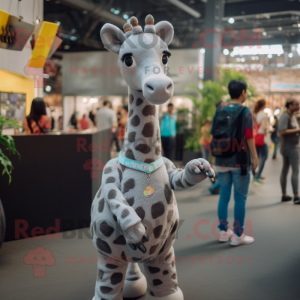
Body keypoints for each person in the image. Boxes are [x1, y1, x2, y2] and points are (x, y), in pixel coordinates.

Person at [211, 80, 258, 246]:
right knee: (240, 198)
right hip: (240, 160)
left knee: (223, 196)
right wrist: (255, 157)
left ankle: (224, 232)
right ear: (243, 92)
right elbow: (249, 136)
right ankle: (238, 235)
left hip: (221, 158)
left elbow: (213, 133)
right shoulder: (246, 111)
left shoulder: (220, 109)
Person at [278, 98, 300, 204]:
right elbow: (283, 131)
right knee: (295, 170)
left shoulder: (292, 116)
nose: (298, 106)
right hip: (290, 147)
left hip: (288, 146)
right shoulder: (285, 116)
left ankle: (284, 194)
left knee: (285, 170)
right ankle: (296, 196)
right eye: (296, 104)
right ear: (289, 105)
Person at [252, 99, 269, 185]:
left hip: (255, 137)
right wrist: (269, 128)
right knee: (264, 157)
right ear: (263, 105)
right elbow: (264, 127)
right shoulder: (262, 114)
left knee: (256, 157)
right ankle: (257, 176)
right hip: (261, 138)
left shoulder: (255, 113)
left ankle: (255, 174)